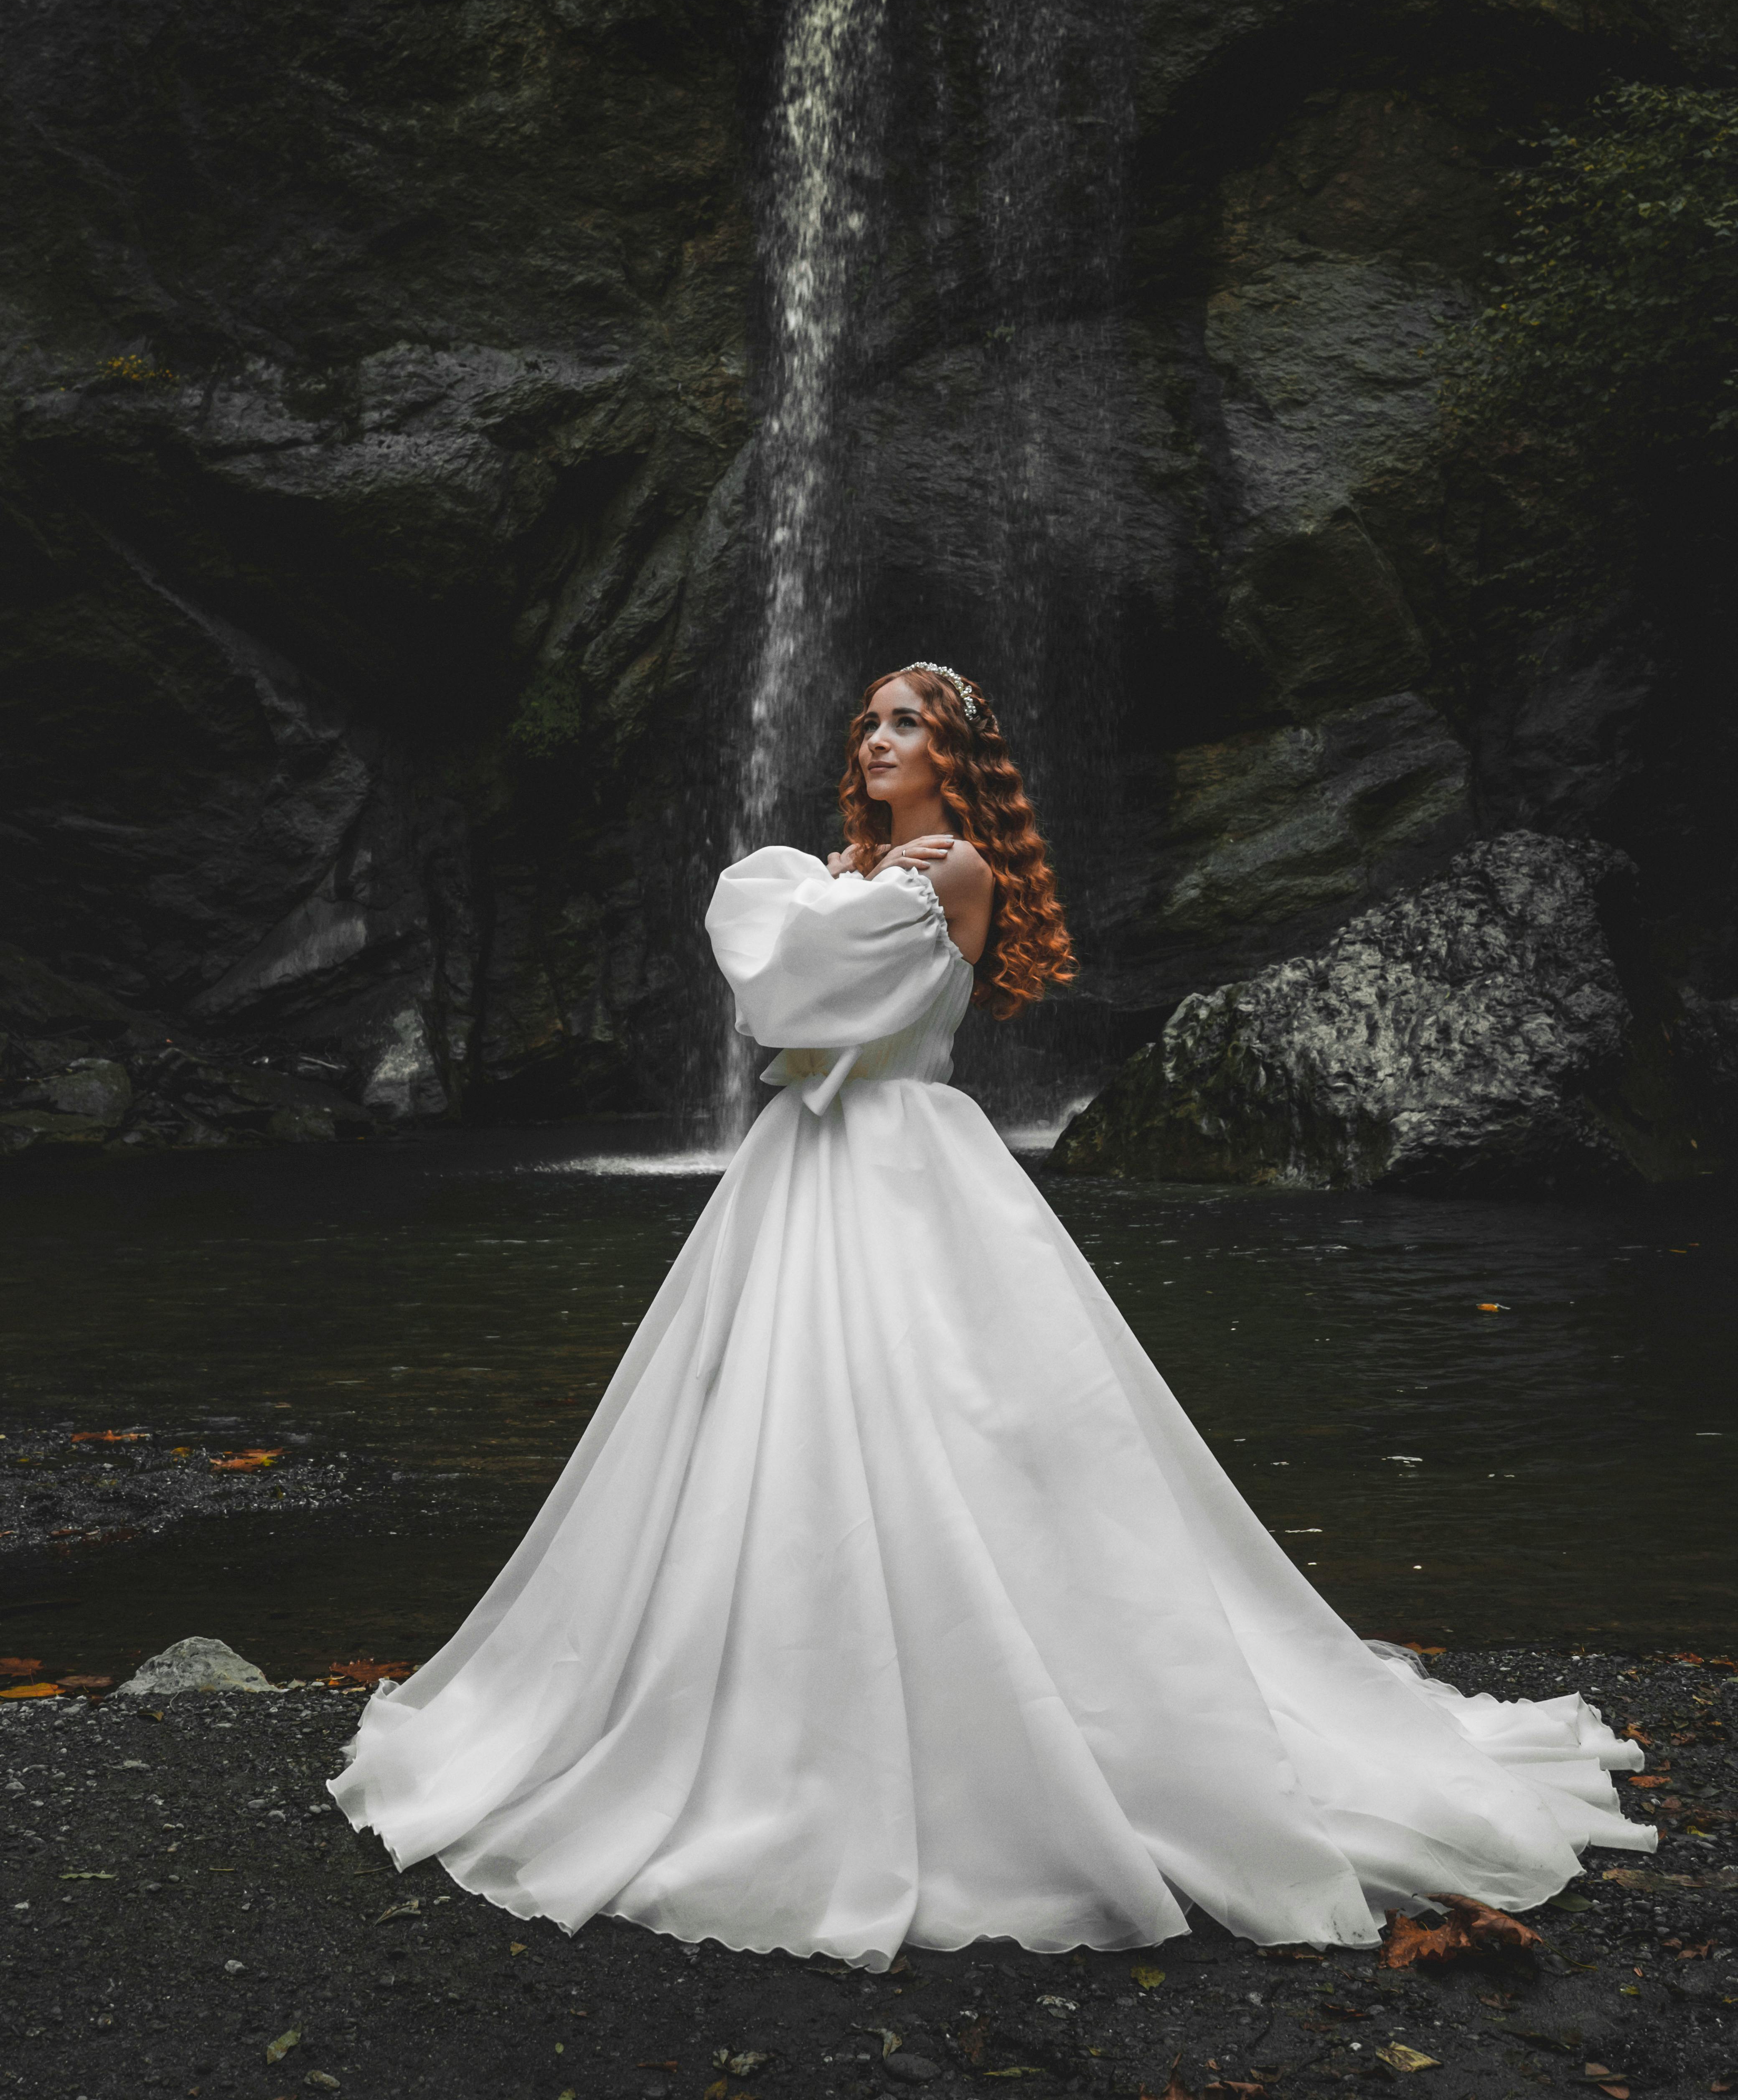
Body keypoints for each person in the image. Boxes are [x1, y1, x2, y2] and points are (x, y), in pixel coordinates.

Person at [330, 663, 1655, 1969]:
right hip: (810, 1160)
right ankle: (769, 1691)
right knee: (771, 1423)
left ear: (959, 759)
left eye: (908, 723)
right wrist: (804, 900)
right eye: (869, 721)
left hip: (903, 1157)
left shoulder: (945, 873)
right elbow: (779, 1005)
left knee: (953, 1418)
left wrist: (801, 904)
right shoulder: (849, 880)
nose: (876, 738)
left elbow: (791, 997)